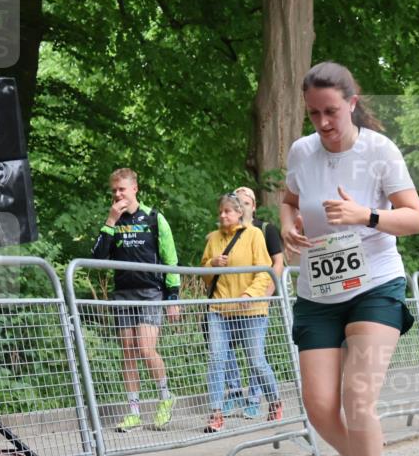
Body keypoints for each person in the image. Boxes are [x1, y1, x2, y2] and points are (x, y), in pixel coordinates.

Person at [280, 61, 419, 456]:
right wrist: (287, 227)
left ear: (352, 104)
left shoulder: (379, 150)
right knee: (320, 406)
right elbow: (287, 200)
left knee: (358, 397)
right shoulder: (301, 152)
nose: (322, 123)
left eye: (331, 112)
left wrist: (366, 215)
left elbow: (415, 218)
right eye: (313, 113)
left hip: (376, 283)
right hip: (318, 288)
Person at [92, 168, 181, 432]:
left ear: (135, 189)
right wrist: (110, 220)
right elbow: (97, 259)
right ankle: (133, 412)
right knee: (128, 351)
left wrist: (173, 297)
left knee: (144, 348)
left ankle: (166, 398)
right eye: (114, 190)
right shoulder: (114, 221)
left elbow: (170, 259)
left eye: (122, 189)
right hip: (123, 293)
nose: (117, 194)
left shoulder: (154, 218)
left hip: (150, 292)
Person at [201, 193, 282, 432]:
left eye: (227, 211)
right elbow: (204, 274)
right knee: (217, 360)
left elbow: (264, 271)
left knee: (255, 361)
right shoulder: (213, 238)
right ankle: (215, 415)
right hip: (219, 309)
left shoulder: (254, 235)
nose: (223, 215)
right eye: (221, 212)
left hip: (251, 310)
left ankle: (275, 400)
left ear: (239, 213)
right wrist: (211, 265)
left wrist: (251, 294)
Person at [222, 185, 285, 419]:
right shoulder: (226, 230)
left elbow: (277, 263)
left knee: (254, 355)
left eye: (246, 203)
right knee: (224, 350)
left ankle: (255, 397)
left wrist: (265, 294)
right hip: (228, 304)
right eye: (237, 202)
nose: (242, 206)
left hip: (256, 301)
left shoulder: (266, 230)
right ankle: (235, 391)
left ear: (253, 206)